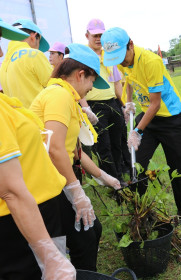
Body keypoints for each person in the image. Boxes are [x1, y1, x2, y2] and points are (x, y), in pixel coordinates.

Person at [101, 27, 181, 237]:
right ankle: (141, 213)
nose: (121, 62)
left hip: (170, 119)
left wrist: (137, 130)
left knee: (179, 168)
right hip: (148, 117)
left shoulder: (150, 61)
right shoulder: (124, 61)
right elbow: (128, 81)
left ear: (131, 44)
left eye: (122, 57)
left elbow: (155, 104)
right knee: (135, 163)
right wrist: (128, 102)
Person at [30, 43, 119, 271]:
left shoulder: (66, 96)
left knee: (90, 231)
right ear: (80, 75)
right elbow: (55, 149)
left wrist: (103, 177)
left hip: (54, 178)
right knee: (83, 238)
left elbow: (73, 150)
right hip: (44, 185)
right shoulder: (58, 95)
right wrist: (76, 191)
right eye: (91, 81)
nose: (91, 88)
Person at [0, 18, 75, 280]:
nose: (0, 51)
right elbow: (10, 190)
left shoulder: (7, 70)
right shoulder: (50, 84)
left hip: (32, 204)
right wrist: (49, 254)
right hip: (20, 218)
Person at [79, 19, 130, 183]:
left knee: (117, 143)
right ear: (87, 35)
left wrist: (123, 105)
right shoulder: (83, 56)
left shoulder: (109, 55)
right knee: (103, 147)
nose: (98, 38)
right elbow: (78, 85)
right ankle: (112, 183)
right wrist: (86, 108)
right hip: (95, 106)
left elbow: (117, 82)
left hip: (112, 104)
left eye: (101, 35)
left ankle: (119, 177)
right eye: (95, 35)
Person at [0, 19, 52, 107]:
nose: (38, 47)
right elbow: (55, 87)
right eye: (39, 42)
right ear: (34, 36)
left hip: (19, 118)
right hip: (42, 118)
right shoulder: (34, 54)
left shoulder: (4, 64)